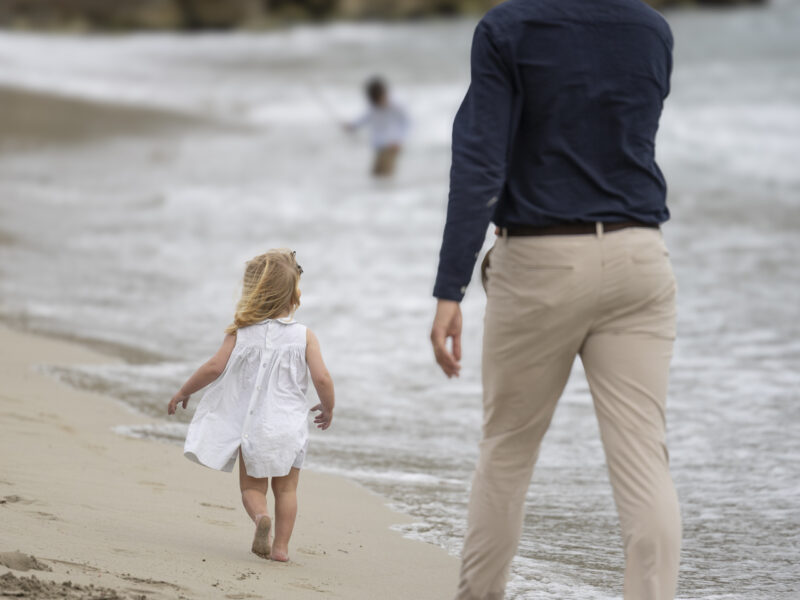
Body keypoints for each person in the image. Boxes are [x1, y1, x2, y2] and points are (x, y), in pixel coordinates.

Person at [429, 1, 680, 599]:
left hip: (542, 261)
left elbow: (480, 162)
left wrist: (449, 287)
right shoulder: (653, 30)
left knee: (508, 451)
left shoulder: (507, 28)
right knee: (646, 460)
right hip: (641, 257)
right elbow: (615, 137)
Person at [167, 249, 335, 563]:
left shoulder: (240, 332)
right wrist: (328, 407)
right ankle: (281, 548)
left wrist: (184, 391)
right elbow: (322, 377)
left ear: (254, 292)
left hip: (254, 427)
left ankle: (260, 519)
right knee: (287, 490)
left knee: (252, 489)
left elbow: (214, 367)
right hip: (289, 428)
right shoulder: (304, 336)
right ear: (294, 293)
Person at [345, 76, 409, 177]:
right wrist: (352, 126)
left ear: (385, 94)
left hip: (391, 146)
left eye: (380, 98)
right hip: (378, 146)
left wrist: (399, 140)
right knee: (375, 175)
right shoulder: (373, 109)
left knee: (386, 175)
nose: (379, 102)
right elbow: (363, 119)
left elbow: (407, 124)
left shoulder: (396, 107)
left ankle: (389, 192)